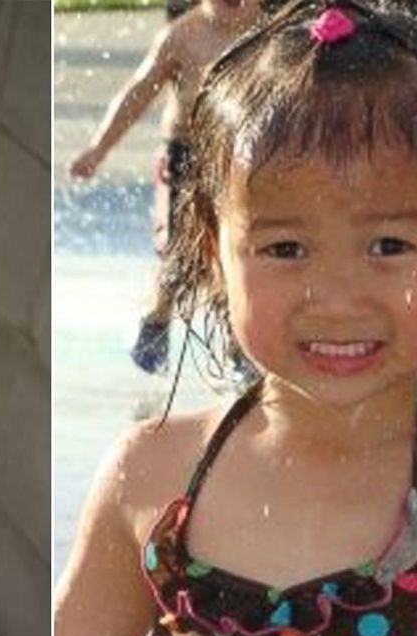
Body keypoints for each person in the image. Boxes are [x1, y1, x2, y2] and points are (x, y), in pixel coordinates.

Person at [54, 1, 417, 636]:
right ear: (212, 248)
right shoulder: (152, 479)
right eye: (285, 249)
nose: (338, 299)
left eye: (388, 245)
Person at [70, 0, 260, 374]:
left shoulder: (269, 34)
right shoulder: (183, 36)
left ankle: (239, 347)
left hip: (245, 159)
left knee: (240, 249)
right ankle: (156, 321)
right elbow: (138, 93)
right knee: (180, 253)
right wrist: (99, 147)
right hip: (186, 156)